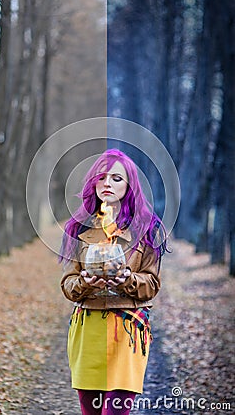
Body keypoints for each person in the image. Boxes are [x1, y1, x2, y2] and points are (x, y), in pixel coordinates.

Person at [59, 149, 167, 415]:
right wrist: (85, 282)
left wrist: (127, 279)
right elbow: (68, 284)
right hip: (89, 331)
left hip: (128, 331)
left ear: (130, 187)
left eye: (117, 178)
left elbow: (152, 283)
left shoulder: (148, 230)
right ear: (93, 183)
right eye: (101, 177)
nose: (107, 183)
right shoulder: (78, 228)